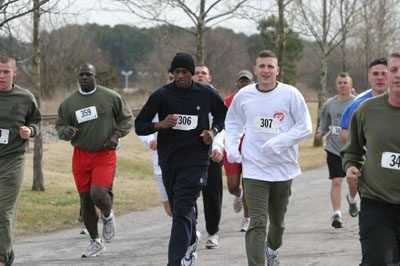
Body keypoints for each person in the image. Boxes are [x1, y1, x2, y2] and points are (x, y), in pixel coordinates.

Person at [135, 52, 227, 266]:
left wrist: (213, 131)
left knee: (183, 208)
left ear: (192, 73)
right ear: (172, 73)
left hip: (196, 160)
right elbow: (140, 124)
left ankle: (174, 262)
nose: (180, 76)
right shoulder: (161, 95)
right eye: (176, 72)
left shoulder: (206, 94)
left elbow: (223, 116)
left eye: (185, 72)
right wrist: (160, 125)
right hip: (169, 160)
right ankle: (192, 237)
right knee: (179, 209)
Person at [225, 50, 312, 266]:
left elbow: (305, 127)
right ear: (255, 70)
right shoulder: (244, 96)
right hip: (254, 169)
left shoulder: (291, 94)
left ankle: (272, 249)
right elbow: (233, 123)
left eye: (270, 66)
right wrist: (233, 147)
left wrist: (279, 141)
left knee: (278, 224)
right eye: (262, 66)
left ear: (277, 70)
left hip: (283, 168)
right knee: (257, 222)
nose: (266, 70)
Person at [55, 63, 133, 258]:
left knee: (98, 194)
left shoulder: (110, 97)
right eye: (81, 74)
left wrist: (117, 135)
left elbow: (127, 119)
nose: (84, 77)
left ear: (95, 77)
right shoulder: (69, 102)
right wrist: (67, 131)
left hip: (104, 154)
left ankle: (107, 214)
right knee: (85, 201)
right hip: (81, 155)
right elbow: (60, 127)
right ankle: (95, 241)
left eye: (88, 74)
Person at [341, 52, 400, 266]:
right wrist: (350, 167)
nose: (397, 75)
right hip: (377, 203)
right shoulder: (366, 110)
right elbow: (352, 150)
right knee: (378, 261)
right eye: (393, 70)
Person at [0, 52, 41, 266]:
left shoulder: (25, 98)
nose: (1, 76)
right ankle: (6, 250)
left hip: (12, 159)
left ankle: (1, 259)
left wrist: (30, 131)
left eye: (6, 72)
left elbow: (37, 122)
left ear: (14, 73)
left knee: (4, 211)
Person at [316, 72, 356, 228]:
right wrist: (321, 131)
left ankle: (352, 199)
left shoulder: (357, 103)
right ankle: (337, 214)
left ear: (350, 85)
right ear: (336, 85)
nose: (342, 85)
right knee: (337, 181)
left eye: (345, 82)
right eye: (340, 83)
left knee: (354, 181)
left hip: (352, 149)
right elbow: (325, 118)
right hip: (333, 148)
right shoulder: (330, 103)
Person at [192, 65, 224, 249]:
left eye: (203, 73)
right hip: (190, 152)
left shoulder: (215, 97)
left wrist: (218, 147)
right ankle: (191, 229)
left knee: (212, 193)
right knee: (189, 191)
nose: (200, 76)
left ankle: (212, 232)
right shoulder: (183, 96)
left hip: (212, 151)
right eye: (197, 73)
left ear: (209, 77)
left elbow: (222, 123)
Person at [137, 71, 175, 217]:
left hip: (183, 161)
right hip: (160, 163)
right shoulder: (158, 99)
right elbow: (141, 126)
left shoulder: (188, 100)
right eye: (170, 78)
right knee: (170, 209)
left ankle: (188, 234)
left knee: (182, 202)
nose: (173, 80)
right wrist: (150, 140)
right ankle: (189, 232)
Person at [223, 69, 253, 232]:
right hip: (232, 147)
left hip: (250, 147)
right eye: (242, 81)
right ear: (237, 83)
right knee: (233, 185)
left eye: (247, 81)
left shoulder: (257, 100)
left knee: (247, 183)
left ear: (252, 83)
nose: (244, 84)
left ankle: (246, 218)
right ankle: (238, 195)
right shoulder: (227, 101)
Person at [339, 58, 388, 144]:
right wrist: (363, 144)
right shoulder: (358, 104)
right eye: (375, 74)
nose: (380, 77)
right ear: (369, 77)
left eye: (384, 74)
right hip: (368, 157)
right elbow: (343, 134)